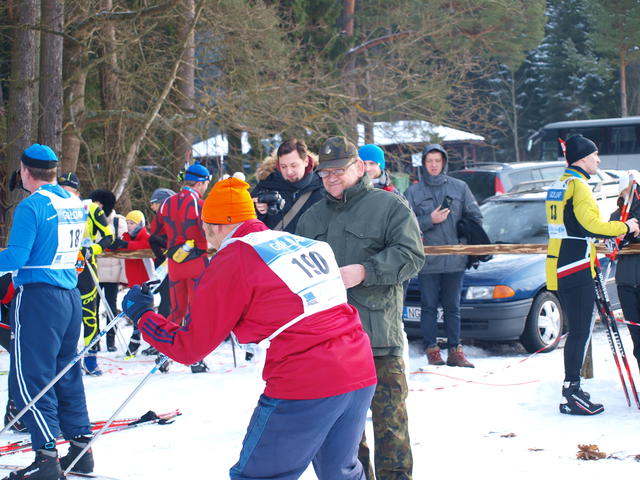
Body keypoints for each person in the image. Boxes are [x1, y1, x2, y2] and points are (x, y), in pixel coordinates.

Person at [122, 176, 377, 479]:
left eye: (206, 229)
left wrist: (143, 315)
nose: (208, 240)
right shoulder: (297, 241)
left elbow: (190, 347)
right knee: (341, 473)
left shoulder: (234, 257)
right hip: (359, 368)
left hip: (307, 377)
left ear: (216, 226)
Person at [296, 136, 425, 480]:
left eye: (338, 171)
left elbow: (412, 256)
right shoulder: (311, 219)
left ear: (358, 167)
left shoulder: (389, 206)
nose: (330, 178)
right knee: (346, 438)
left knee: (391, 428)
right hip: (332, 345)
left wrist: (366, 271)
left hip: (379, 339)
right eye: (324, 173)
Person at [1, 144, 94, 479]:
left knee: (31, 377)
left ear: (25, 171)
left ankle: (45, 457)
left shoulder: (31, 206)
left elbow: (16, 257)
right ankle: (81, 449)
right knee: (66, 373)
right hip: (69, 297)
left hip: (39, 297)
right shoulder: (73, 202)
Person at [545, 135, 639, 415]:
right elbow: (591, 226)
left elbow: (571, 227)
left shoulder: (560, 183)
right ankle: (571, 392)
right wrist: (626, 226)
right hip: (574, 266)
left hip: (561, 262)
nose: (598, 160)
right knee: (580, 332)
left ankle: (573, 389)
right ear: (583, 158)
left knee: (578, 331)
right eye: (595, 155)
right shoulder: (579, 186)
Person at [405, 144, 482, 368]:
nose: (434, 165)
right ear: (423, 164)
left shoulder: (460, 188)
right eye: (429, 161)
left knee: (452, 307)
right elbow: (405, 225)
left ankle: (455, 351)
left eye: (437, 161)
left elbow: (475, 217)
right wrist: (429, 220)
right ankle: (432, 350)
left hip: (455, 259)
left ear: (444, 162)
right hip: (428, 260)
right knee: (428, 306)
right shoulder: (413, 192)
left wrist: (463, 243)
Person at [149, 162, 211, 373]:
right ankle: (195, 359)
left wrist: (172, 242)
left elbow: (155, 230)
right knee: (195, 311)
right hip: (197, 262)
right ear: (200, 183)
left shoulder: (167, 203)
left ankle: (164, 355)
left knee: (176, 311)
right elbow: (209, 230)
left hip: (175, 262)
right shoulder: (200, 203)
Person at [59, 173, 115, 375]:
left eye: (69, 191)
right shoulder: (54, 207)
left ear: (77, 192)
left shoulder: (90, 209)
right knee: (63, 315)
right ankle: (65, 360)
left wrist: (93, 249)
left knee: (89, 314)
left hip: (85, 268)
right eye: (62, 190)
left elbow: (109, 236)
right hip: (62, 267)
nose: (65, 195)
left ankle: (91, 359)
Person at [251, 138, 324, 233]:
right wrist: (259, 212)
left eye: (294, 165)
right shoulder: (266, 185)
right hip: (274, 242)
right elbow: (249, 227)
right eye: (283, 166)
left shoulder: (325, 186)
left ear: (306, 161)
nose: (289, 172)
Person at [610, 170, 640, 373]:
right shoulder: (616, 216)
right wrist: (621, 235)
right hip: (626, 283)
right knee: (637, 339)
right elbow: (610, 247)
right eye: (625, 190)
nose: (629, 194)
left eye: (633, 190)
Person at [91, 189, 127, 352]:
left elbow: (124, 246)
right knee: (93, 308)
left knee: (111, 306)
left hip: (113, 272)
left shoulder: (118, 221)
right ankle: (94, 340)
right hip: (95, 271)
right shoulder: (90, 219)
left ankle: (111, 340)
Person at [119, 210, 153, 357]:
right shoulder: (125, 237)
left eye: (132, 223)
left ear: (139, 224)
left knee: (144, 312)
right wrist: (112, 244)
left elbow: (145, 245)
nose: (129, 226)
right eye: (127, 223)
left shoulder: (145, 236)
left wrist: (126, 244)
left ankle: (141, 340)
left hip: (146, 281)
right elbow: (120, 246)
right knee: (135, 312)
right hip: (133, 281)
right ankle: (136, 340)